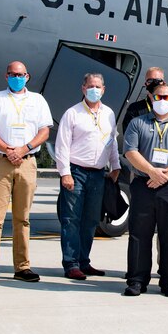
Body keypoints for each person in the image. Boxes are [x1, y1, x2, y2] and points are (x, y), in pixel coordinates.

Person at [0, 61, 54, 285]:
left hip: (28, 162)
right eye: (12, 74)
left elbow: (44, 131)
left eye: (20, 74)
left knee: (23, 218)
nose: (16, 77)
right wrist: (8, 150)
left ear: (27, 76)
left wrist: (24, 149)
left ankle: (22, 267)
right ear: (6, 76)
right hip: (2, 161)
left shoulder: (37, 100)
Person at [122, 83, 168, 297]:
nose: (163, 100)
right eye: (159, 96)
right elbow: (130, 151)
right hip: (143, 183)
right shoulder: (137, 123)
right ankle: (137, 280)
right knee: (139, 233)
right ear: (151, 97)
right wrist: (151, 171)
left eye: (167, 97)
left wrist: (165, 174)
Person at [54, 73, 121, 281]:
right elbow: (62, 145)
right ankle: (71, 263)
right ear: (83, 88)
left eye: (98, 86)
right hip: (76, 171)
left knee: (91, 220)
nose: (94, 89)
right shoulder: (72, 113)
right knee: (71, 219)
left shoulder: (109, 113)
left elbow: (112, 141)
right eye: (90, 86)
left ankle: (84, 261)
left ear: (104, 89)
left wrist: (116, 165)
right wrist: (65, 173)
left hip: (98, 174)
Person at [121, 66, 168, 133]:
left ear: (163, 83)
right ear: (146, 84)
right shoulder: (135, 108)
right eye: (150, 81)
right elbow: (129, 134)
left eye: (157, 80)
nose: (154, 83)